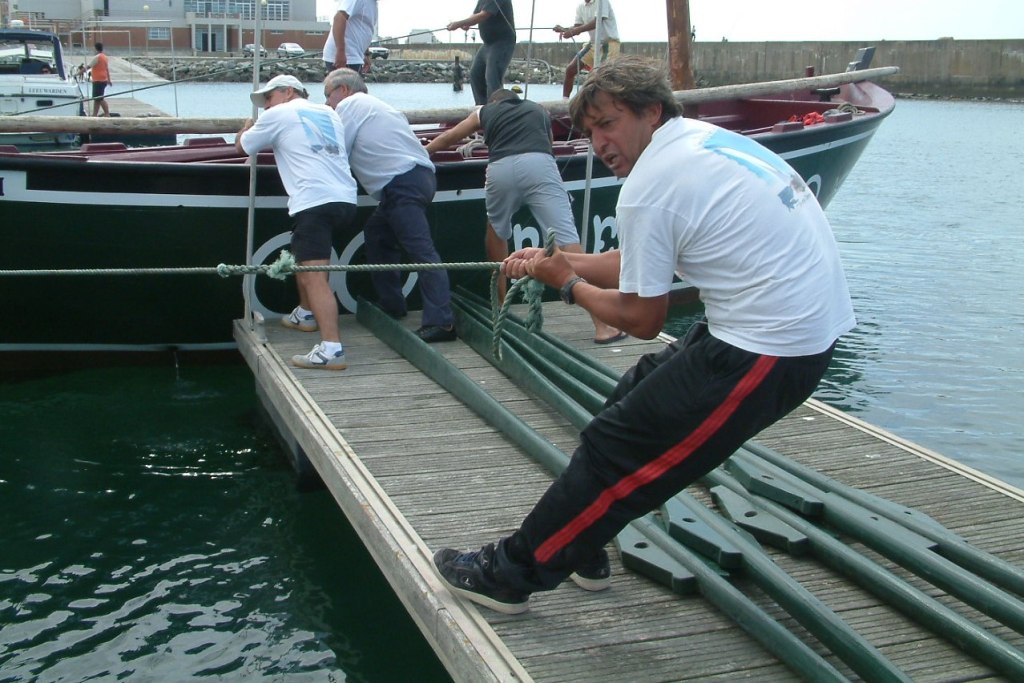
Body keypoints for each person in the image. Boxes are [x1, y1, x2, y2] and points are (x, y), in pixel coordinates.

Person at [431, 56, 856, 614]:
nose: (599, 142)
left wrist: (567, 285)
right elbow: (633, 261)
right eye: (589, 131)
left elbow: (640, 319)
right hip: (767, 328)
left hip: (769, 350)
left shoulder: (651, 184)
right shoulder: (695, 143)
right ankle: (582, 541)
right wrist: (554, 261)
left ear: (651, 111)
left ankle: (511, 575)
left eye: (609, 123)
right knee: (630, 396)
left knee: (614, 452)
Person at [424, 88, 623, 344]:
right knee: (567, 242)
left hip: (500, 168)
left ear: (494, 101)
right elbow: (549, 143)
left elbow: (451, 136)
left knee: (496, 231)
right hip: (539, 163)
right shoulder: (539, 110)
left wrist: (423, 152)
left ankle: (499, 311)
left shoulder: (485, 111)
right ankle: (602, 325)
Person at [324, 68, 457, 343]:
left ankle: (442, 323)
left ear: (344, 90)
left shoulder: (350, 105)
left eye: (327, 95)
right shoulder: (376, 106)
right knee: (378, 235)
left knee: (422, 252)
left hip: (401, 184)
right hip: (414, 179)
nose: (327, 103)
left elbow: (336, 151)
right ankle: (392, 304)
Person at [236, 74, 359, 370]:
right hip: (344, 198)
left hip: (313, 201)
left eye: (268, 98)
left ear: (288, 92)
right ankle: (304, 314)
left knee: (314, 275)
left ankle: (332, 349)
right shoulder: (329, 112)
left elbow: (243, 147)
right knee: (308, 263)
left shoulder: (279, 114)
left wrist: (246, 127)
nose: (266, 106)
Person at [446, 0, 515, 105]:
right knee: (475, 74)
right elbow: (476, 14)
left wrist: (459, 23)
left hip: (502, 42)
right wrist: (468, 23)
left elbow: (484, 14)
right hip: (488, 43)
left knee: (492, 77)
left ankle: (497, 110)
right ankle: (481, 107)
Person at [553, 0, 620, 99]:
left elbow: (597, 21)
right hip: (593, 43)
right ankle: (564, 102)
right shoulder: (581, 6)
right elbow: (578, 26)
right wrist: (565, 30)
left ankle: (601, 102)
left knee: (600, 75)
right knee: (570, 69)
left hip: (608, 43)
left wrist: (575, 32)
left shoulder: (602, 1)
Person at [323, 0, 378, 73]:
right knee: (346, 84)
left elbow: (361, 28)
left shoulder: (372, 3)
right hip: (346, 57)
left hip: (354, 56)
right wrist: (340, 51)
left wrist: (365, 54)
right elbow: (338, 18)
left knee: (353, 84)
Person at [84, 42, 111, 117]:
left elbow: (88, 66)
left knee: (100, 98)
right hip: (103, 79)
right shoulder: (104, 57)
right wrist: (109, 79)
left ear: (96, 48)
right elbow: (107, 69)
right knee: (96, 99)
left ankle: (107, 113)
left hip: (98, 80)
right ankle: (94, 115)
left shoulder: (97, 57)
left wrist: (79, 72)